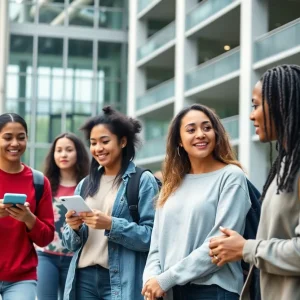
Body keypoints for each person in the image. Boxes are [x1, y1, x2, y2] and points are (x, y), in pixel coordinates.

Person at [209, 64, 300, 300]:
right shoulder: (286, 164)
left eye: (256, 106)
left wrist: (246, 248)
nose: (251, 115)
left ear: (281, 105)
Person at [142, 104, 251, 300]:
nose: (200, 134)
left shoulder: (231, 177)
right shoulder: (171, 183)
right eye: (191, 130)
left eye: (207, 128)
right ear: (180, 141)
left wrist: (166, 279)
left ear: (216, 134)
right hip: (170, 291)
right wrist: (151, 280)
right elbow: (157, 245)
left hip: (213, 290)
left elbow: (219, 245)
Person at [62, 106, 159, 300]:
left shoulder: (142, 180)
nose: (98, 148)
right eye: (93, 143)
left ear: (123, 142)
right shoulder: (85, 184)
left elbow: (152, 237)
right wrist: (73, 228)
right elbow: (70, 244)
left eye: (105, 141)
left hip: (121, 279)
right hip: (83, 278)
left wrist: (111, 225)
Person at [0, 113, 54, 300]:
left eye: (21, 137)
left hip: (22, 278)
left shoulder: (39, 182)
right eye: (7, 137)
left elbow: (46, 237)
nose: (15, 143)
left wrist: (29, 218)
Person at [36, 132, 89, 300]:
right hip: (46, 256)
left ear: (78, 153)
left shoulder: (88, 186)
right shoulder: (44, 185)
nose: (63, 154)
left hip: (76, 258)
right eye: (58, 150)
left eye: (69, 150)